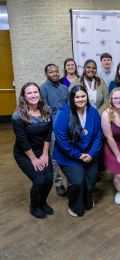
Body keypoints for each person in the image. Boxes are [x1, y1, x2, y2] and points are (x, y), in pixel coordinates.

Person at [53, 85, 103, 217]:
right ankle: (74, 206)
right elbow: (61, 140)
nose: (80, 99)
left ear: (87, 97)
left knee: (91, 180)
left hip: (90, 154)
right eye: (77, 97)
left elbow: (98, 135)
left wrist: (91, 154)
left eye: (83, 96)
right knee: (78, 181)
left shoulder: (93, 112)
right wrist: (79, 155)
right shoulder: (63, 113)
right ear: (71, 98)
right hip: (69, 156)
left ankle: (87, 199)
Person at [12, 82, 54, 219]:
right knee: (40, 180)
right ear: (24, 96)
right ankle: (34, 206)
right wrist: (34, 159)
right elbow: (22, 140)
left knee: (49, 179)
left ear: (40, 94)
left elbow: (48, 134)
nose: (33, 95)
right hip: (24, 153)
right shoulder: (18, 116)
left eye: (35, 92)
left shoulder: (47, 110)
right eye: (29, 93)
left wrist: (44, 154)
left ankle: (43, 202)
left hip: (42, 150)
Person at [40, 63, 69, 197]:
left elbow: (70, 108)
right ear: (46, 74)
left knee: (69, 153)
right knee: (55, 157)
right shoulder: (42, 89)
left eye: (56, 71)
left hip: (67, 127)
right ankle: (58, 183)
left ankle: (71, 180)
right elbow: (44, 111)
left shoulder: (65, 88)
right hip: (52, 129)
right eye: (51, 72)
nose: (55, 74)